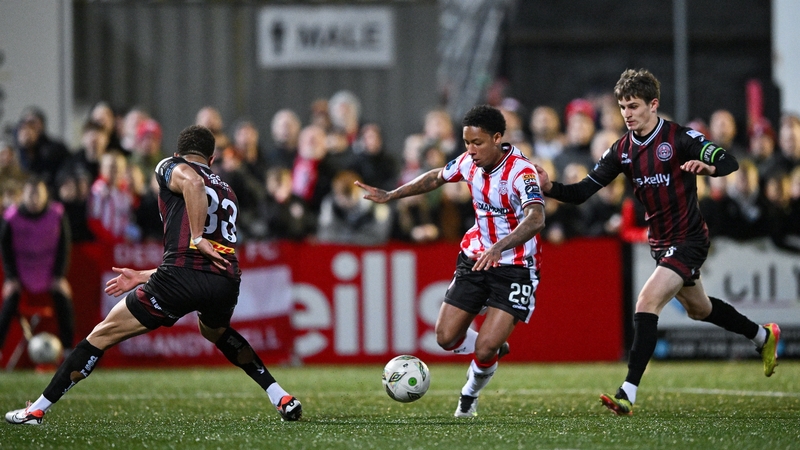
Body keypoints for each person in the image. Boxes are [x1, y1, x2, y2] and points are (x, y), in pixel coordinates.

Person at [5, 125, 301, 425]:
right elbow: (199, 256)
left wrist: (198, 237)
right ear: (211, 159)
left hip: (180, 278)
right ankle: (279, 395)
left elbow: (193, 185)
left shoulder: (170, 166)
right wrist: (144, 275)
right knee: (215, 332)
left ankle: (36, 410)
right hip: (225, 280)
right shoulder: (227, 190)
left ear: (177, 153)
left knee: (102, 334)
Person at [533, 68, 780, 416]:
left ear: (653, 104)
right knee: (699, 309)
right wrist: (550, 187)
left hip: (690, 238)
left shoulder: (679, 137)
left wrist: (710, 169)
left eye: (633, 106)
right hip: (661, 243)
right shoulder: (622, 150)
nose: (627, 114)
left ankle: (627, 392)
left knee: (647, 301)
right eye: (622, 107)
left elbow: (729, 161)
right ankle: (763, 336)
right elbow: (582, 191)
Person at [357, 105, 545, 418]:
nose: (470, 150)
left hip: (516, 267)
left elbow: (536, 218)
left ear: (497, 138)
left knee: (484, 349)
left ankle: (469, 395)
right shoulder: (469, 162)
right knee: (445, 338)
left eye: (477, 143)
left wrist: (499, 247)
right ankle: (493, 347)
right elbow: (436, 177)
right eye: (467, 142)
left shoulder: (520, 172)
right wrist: (391, 195)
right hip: (476, 258)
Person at [0, 176, 75, 361]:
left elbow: (64, 246)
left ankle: (68, 349)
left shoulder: (57, 214)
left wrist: (59, 275)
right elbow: (5, 249)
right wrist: (11, 277)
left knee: (64, 300)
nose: (34, 199)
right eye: (30, 194)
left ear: (45, 196)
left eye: (38, 194)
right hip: (21, 271)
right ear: (23, 195)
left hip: (48, 271)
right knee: (9, 303)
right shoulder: (11, 217)